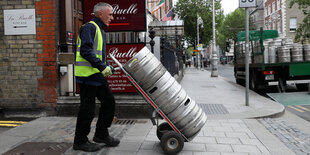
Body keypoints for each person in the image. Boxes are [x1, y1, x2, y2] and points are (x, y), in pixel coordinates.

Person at [73, 2, 120, 152]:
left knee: (109, 102)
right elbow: (86, 51)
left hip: (96, 75)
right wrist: (102, 66)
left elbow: (96, 53)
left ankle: (101, 134)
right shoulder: (89, 27)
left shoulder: (99, 29)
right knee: (87, 110)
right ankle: (80, 141)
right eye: (110, 14)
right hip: (87, 76)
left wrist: (106, 67)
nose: (112, 17)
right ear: (100, 13)